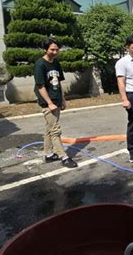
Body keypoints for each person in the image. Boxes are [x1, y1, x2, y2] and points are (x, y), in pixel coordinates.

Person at [34, 37, 77, 168]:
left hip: (57, 100)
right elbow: (40, 86)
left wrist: (62, 99)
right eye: (52, 49)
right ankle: (63, 156)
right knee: (55, 130)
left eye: (57, 49)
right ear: (45, 49)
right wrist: (49, 103)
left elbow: (58, 83)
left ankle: (48, 154)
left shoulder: (56, 63)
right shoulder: (40, 64)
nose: (55, 52)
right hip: (48, 102)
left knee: (49, 128)